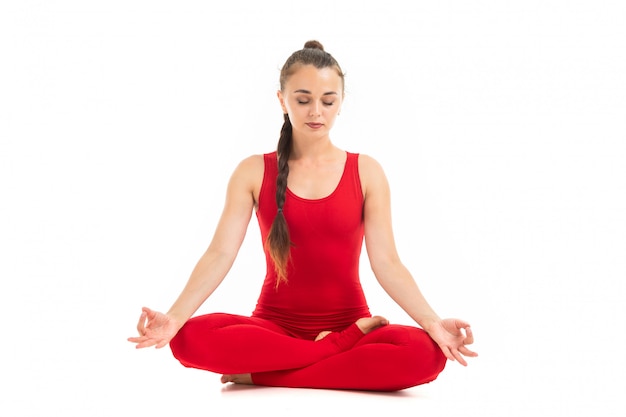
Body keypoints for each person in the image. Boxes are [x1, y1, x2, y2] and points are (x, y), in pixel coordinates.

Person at [128, 40, 477, 391]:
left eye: (328, 101)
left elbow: (387, 262)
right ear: (282, 100)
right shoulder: (252, 171)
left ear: (341, 103)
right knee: (188, 339)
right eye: (303, 99)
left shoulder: (366, 171)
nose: (316, 112)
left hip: (353, 326)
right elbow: (220, 253)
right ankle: (327, 355)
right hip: (273, 329)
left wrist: (432, 323)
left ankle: (266, 373)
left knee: (424, 354)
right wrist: (174, 318)